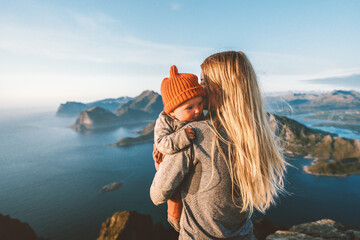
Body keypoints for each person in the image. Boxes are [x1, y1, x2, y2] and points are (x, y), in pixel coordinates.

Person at [150, 51, 287, 239]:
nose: (199, 90)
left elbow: (157, 195)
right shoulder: (254, 134)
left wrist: (161, 167)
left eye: (203, 84)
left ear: (221, 89)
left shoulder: (194, 135)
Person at [153, 65, 206, 232]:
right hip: (167, 159)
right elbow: (161, 143)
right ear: (173, 111)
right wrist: (182, 137)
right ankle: (176, 222)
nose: (198, 110)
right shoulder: (164, 121)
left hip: (185, 165)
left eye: (200, 103)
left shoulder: (196, 115)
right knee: (175, 198)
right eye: (189, 107)